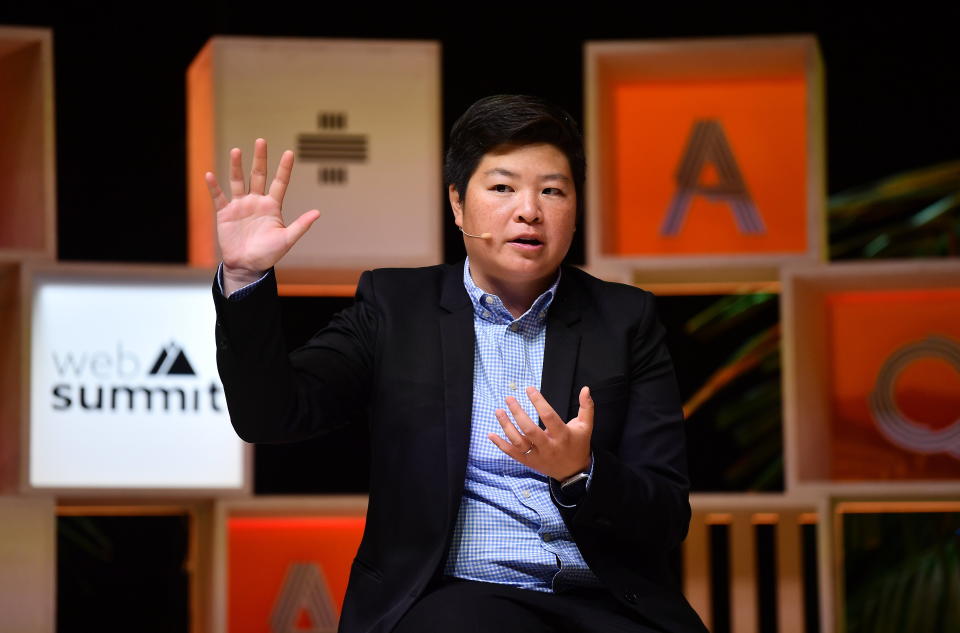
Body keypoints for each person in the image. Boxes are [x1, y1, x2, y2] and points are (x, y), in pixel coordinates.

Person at [208, 95, 707, 633]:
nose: (529, 210)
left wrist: (580, 473)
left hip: (604, 604)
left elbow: (666, 515)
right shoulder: (396, 308)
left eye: (553, 191)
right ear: (457, 203)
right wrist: (246, 280)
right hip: (463, 600)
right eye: (502, 187)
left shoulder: (625, 318)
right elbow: (271, 415)